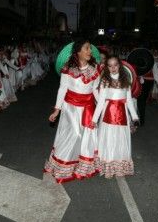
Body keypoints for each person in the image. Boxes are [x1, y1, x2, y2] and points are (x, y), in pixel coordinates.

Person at [44, 39, 101, 183]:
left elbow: (95, 90)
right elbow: (62, 89)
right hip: (70, 109)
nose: (90, 51)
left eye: (90, 49)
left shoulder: (95, 69)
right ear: (78, 52)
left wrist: (103, 106)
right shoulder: (68, 68)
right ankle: (63, 166)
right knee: (74, 134)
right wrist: (56, 110)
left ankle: (79, 165)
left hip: (88, 107)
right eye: (87, 48)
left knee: (84, 137)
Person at [92, 56, 139, 178]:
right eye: (110, 65)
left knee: (120, 140)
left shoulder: (126, 81)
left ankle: (119, 165)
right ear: (107, 67)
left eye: (115, 65)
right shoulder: (104, 81)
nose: (113, 68)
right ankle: (108, 165)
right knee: (108, 139)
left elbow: (128, 100)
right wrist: (94, 119)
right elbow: (101, 102)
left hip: (122, 115)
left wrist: (134, 117)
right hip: (107, 115)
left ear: (120, 65)